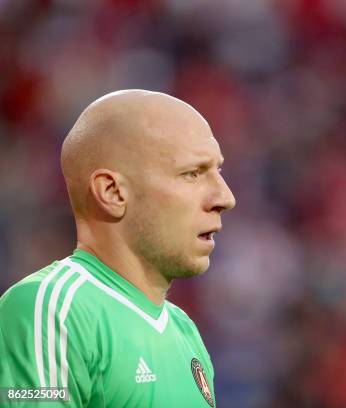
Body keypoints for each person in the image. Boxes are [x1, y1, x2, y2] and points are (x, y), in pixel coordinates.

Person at [0, 90, 236, 407]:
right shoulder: (54, 309)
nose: (225, 198)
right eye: (192, 173)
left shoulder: (185, 332)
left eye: (217, 171)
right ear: (112, 192)